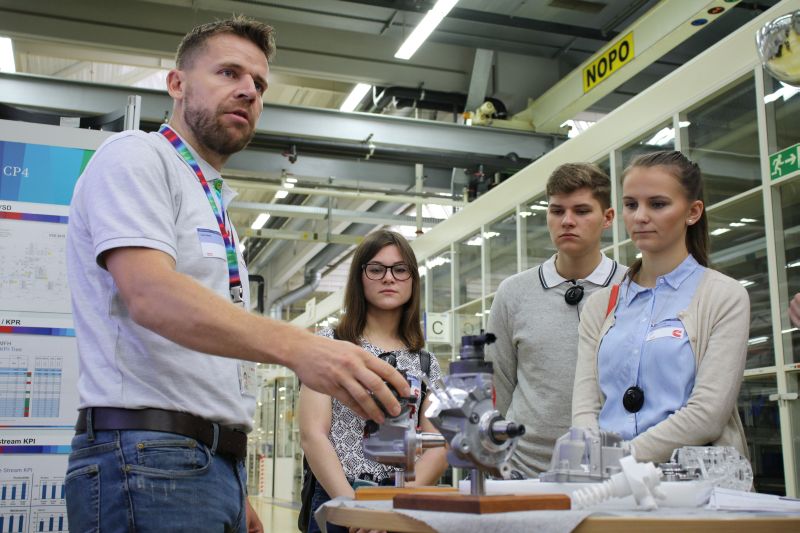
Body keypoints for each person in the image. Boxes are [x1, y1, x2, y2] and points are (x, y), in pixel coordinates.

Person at [64, 16, 408, 533]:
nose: (248, 90)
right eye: (228, 73)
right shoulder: (136, 157)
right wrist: (299, 348)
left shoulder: (211, 197)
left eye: (259, 84)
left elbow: (203, 352)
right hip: (147, 457)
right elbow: (151, 294)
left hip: (200, 465)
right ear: (177, 84)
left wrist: (230, 478)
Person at [572, 150, 749, 463]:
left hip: (693, 492)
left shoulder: (724, 296)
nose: (640, 216)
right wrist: (594, 460)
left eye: (658, 204)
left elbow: (707, 414)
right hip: (609, 487)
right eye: (631, 204)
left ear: (692, 212)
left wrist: (622, 459)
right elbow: (585, 409)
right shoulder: (599, 306)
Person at [299, 230, 448, 533]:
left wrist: (398, 504)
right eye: (376, 269)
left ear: (412, 280)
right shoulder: (329, 345)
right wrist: (353, 506)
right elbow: (313, 434)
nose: (389, 278)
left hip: (403, 504)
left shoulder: (426, 362)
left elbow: (439, 446)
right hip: (339, 500)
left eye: (400, 269)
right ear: (360, 277)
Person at [485, 163, 626, 478]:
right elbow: (498, 384)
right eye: (557, 211)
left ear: (608, 218)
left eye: (581, 210)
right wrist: (495, 460)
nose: (567, 221)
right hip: (523, 470)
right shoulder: (513, 293)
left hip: (612, 470)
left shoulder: (634, 288)